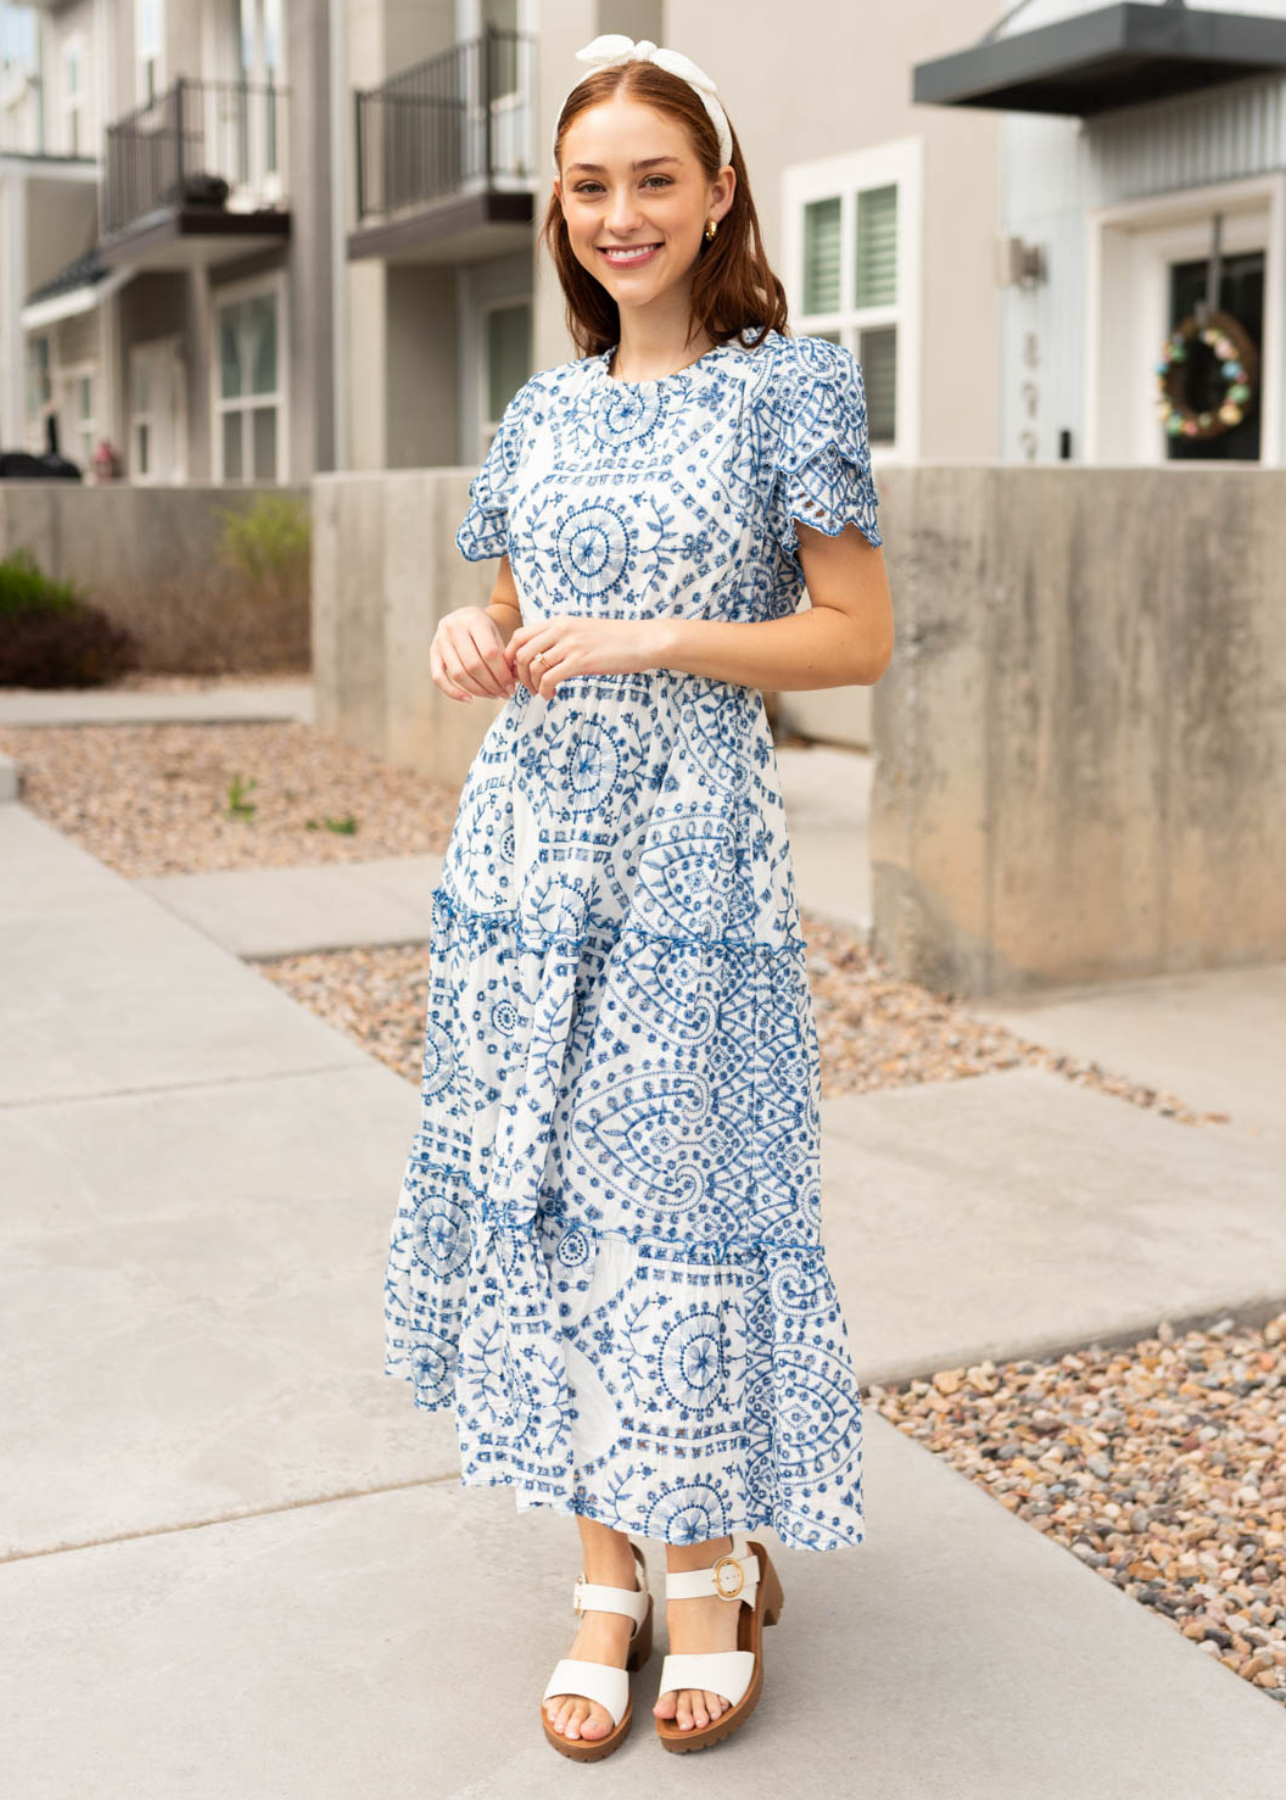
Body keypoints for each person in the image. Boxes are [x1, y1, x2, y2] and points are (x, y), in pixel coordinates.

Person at [382, 31, 894, 1761]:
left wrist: (671, 638)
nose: (618, 213)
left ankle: (707, 1563)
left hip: (689, 863)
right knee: (534, 1196)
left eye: (651, 179)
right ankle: (603, 1578)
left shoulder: (789, 388)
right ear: (560, 207)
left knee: (670, 1205)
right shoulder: (534, 413)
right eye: (587, 184)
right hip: (524, 861)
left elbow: (859, 638)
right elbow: (515, 628)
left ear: (716, 191)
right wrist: (472, 642)